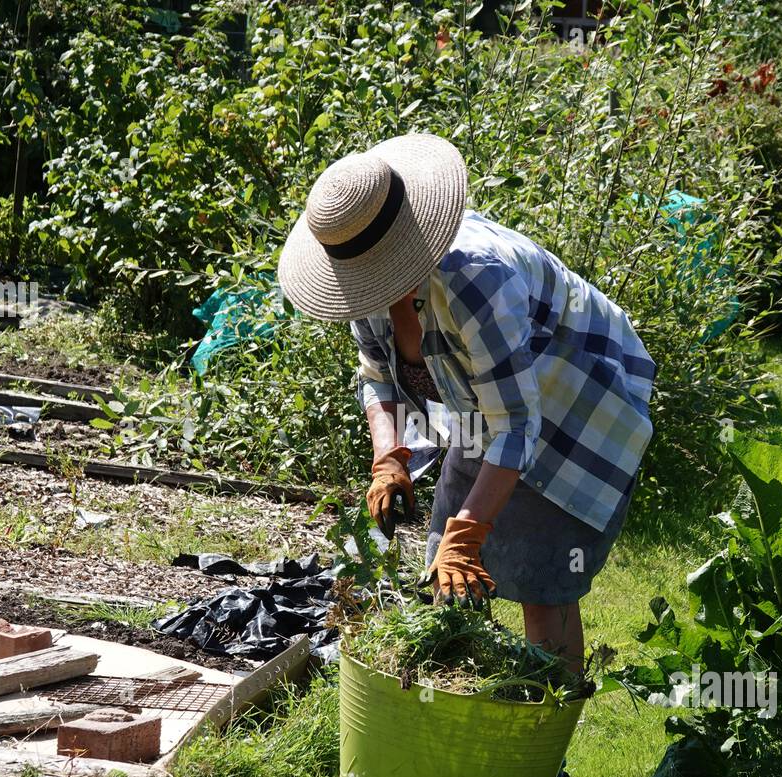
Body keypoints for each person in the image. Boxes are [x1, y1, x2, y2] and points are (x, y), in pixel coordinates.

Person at [278, 133, 655, 675]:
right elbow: (379, 379)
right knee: (445, 569)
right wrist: (389, 460)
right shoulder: (363, 282)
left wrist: (471, 529)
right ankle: (456, 717)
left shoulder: (476, 278)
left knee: (541, 578)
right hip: (489, 410)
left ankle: (544, 739)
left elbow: (518, 424)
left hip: (577, 400)